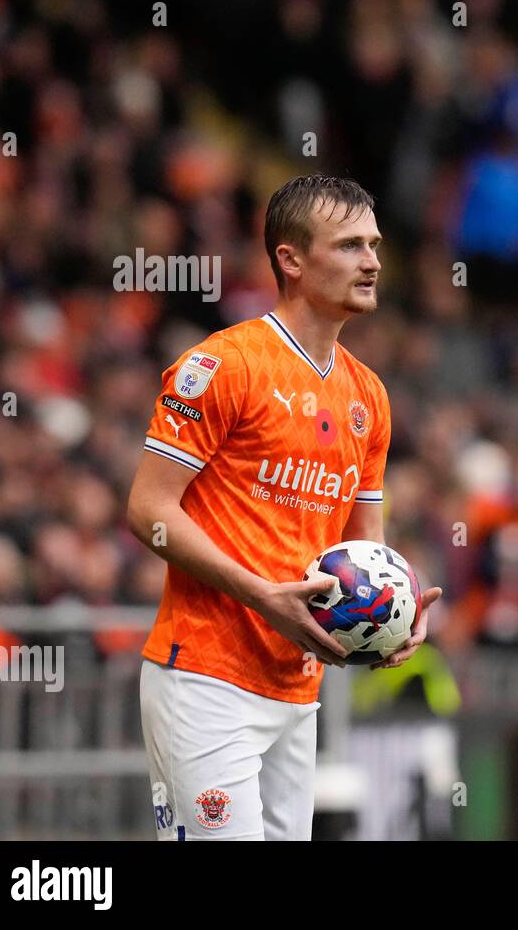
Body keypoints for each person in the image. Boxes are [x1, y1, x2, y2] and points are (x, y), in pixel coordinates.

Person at [126, 175, 441, 840]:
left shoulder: (370, 397)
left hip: (298, 689)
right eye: (350, 245)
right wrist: (263, 594)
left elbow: (367, 550)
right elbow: (148, 509)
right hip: (206, 676)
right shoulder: (224, 365)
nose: (373, 260)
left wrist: (396, 613)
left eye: (375, 245)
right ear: (290, 260)